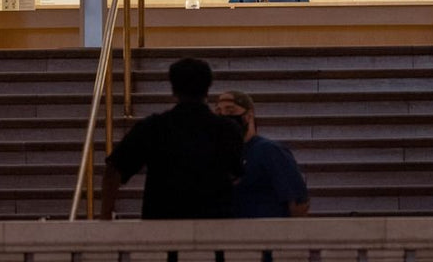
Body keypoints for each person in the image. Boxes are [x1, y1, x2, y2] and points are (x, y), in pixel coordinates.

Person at [100, 58, 244, 222]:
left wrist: (105, 216)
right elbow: (236, 174)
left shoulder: (153, 127)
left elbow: (114, 169)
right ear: (207, 89)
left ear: (174, 89)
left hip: (162, 226)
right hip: (214, 227)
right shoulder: (227, 130)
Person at [216, 90, 309, 262]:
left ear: (248, 115)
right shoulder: (221, 156)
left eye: (230, 111)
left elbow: (298, 204)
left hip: (266, 247)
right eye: (219, 112)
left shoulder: (269, 151)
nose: (223, 117)